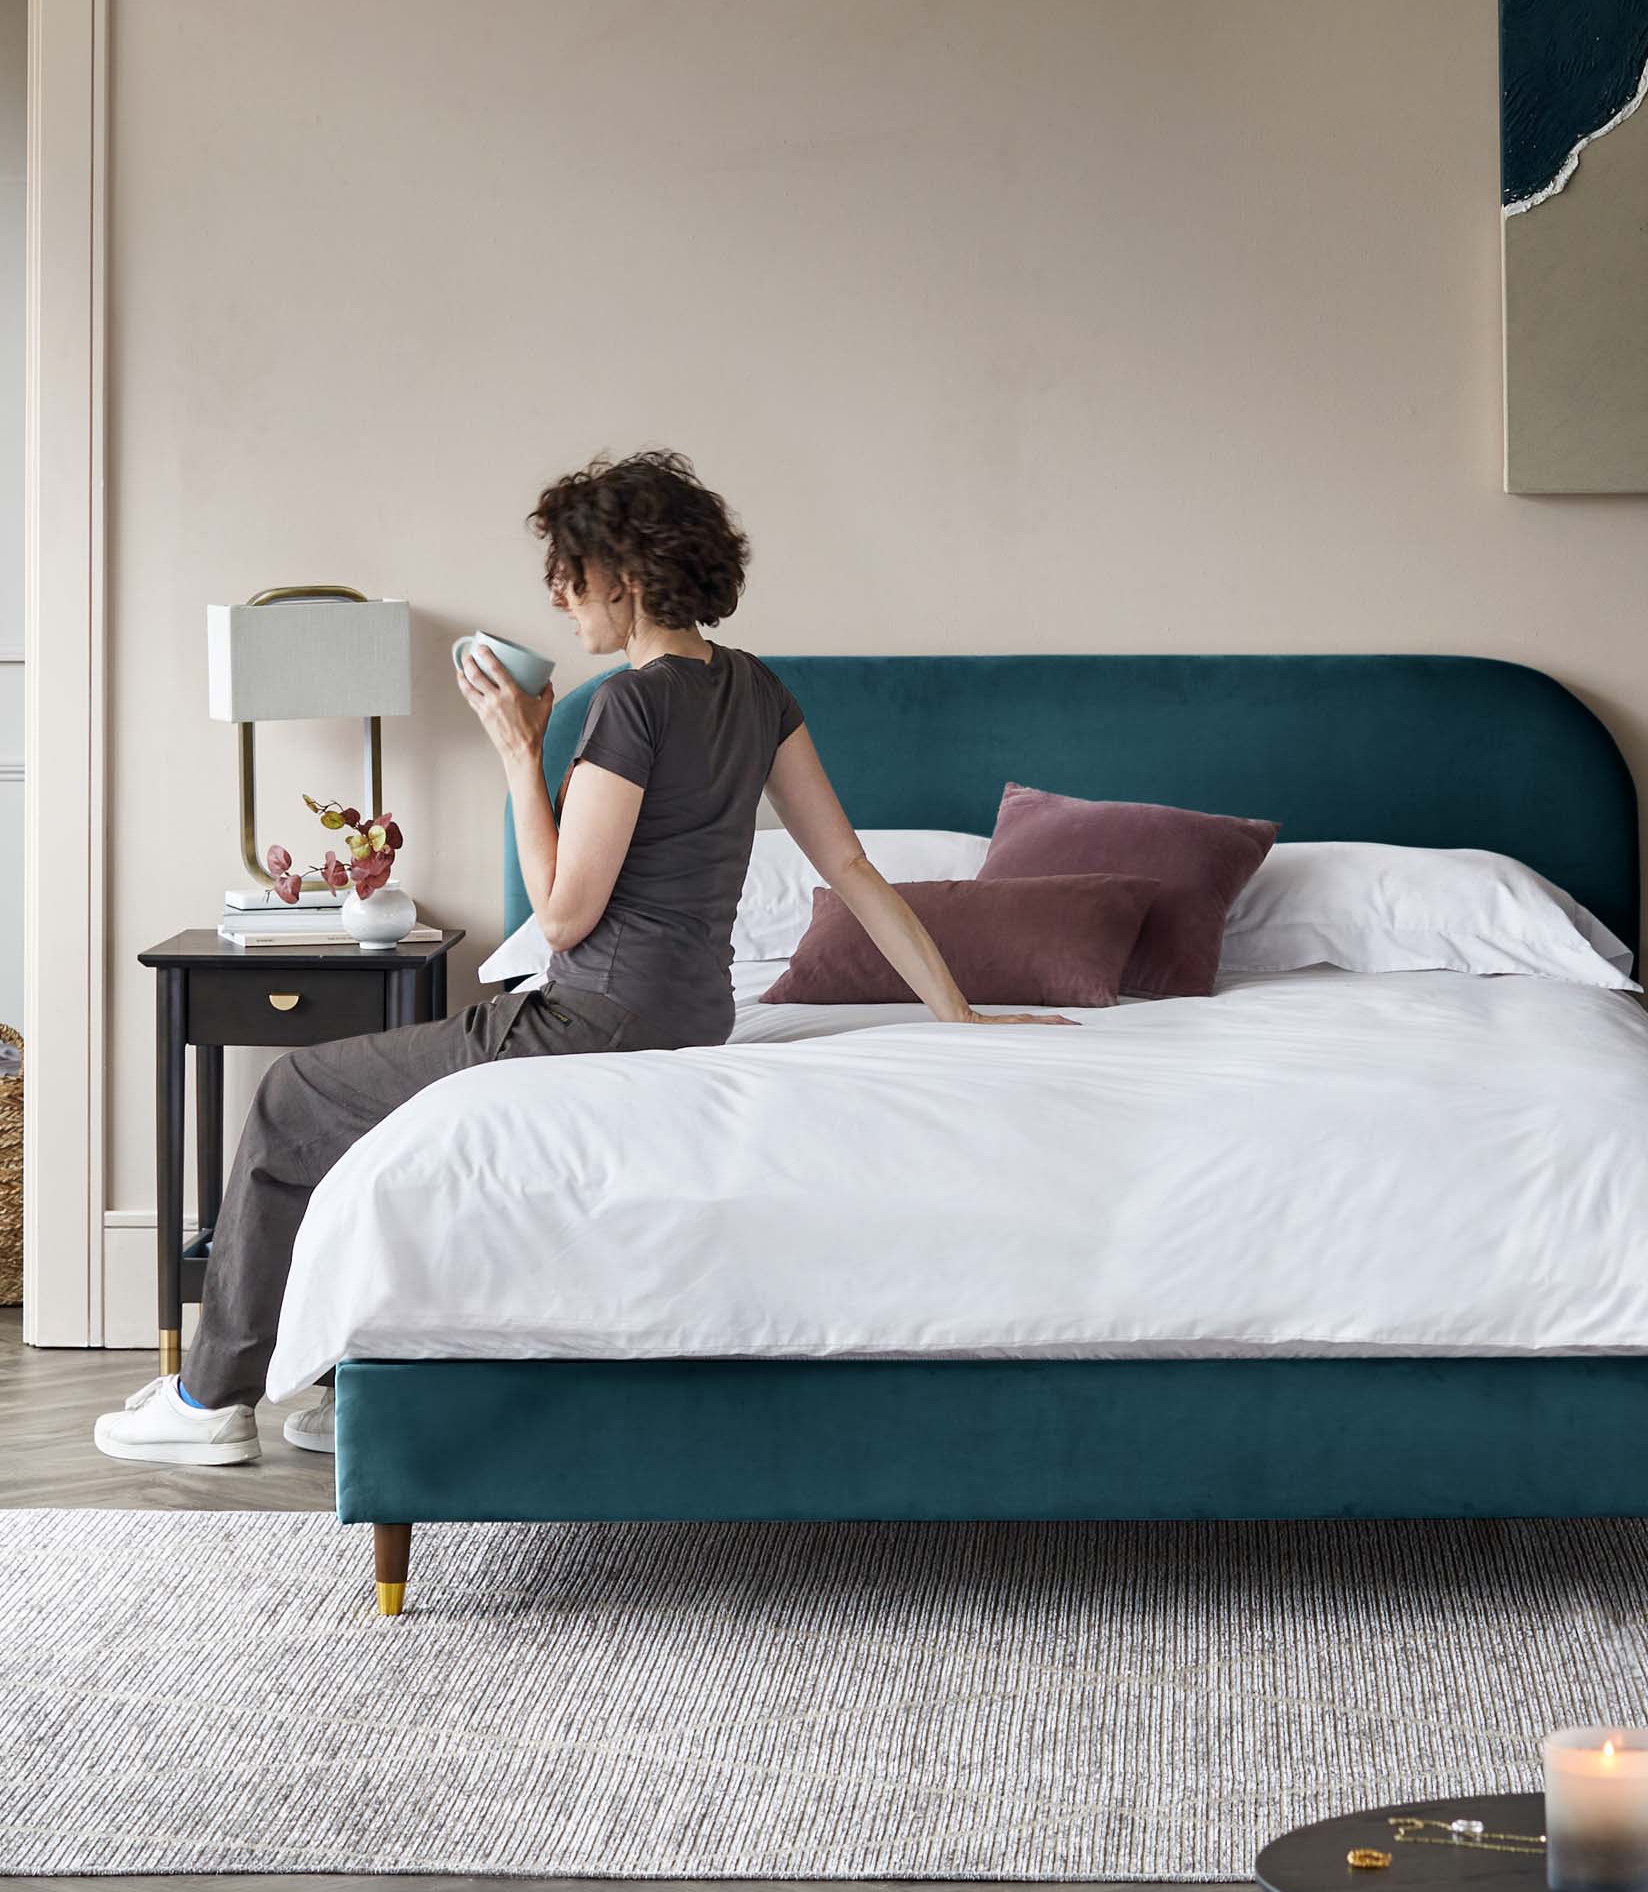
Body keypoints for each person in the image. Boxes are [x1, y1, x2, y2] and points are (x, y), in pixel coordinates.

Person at [96, 449, 1068, 1467]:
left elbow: (562, 919)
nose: (560, 598)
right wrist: (956, 1011)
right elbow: (852, 866)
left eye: (573, 574)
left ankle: (208, 1402)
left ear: (629, 575)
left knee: (295, 1094)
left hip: (591, 1016)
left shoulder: (628, 705)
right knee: (364, 1110)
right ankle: (344, 1384)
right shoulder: (755, 689)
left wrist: (521, 751)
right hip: (692, 1013)